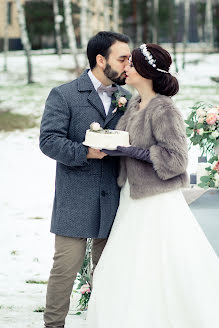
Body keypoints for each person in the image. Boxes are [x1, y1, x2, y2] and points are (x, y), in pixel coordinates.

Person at [86, 43, 219, 328]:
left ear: (145, 72)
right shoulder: (134, 105)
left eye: (131, 65)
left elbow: (176, 160)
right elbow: (124, 141)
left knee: (158, 266)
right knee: (121, 268)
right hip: (131, 198)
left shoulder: (164, 109)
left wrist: (132, 152)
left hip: (157, 201)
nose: (126, 68)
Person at [39, 31, 131, 328]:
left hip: (114, 199)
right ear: (101, 60)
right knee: (64, 270)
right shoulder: (64, 94)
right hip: (75, 197)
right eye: (123, 58)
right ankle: (54, 325)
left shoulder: (125, 98)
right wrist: (84, 152)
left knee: (107, 272)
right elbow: (48, 141)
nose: (128, 64)